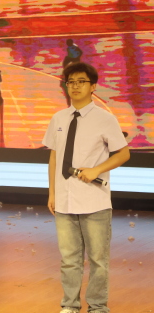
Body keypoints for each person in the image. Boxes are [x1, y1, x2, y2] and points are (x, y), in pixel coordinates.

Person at [43, 62, 130, 313]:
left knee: (98, 260)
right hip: (64, 200)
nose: (75, 86)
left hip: (95, 200)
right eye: (71, 82)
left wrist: (96, 170)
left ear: (93, 86)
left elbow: (123, 154)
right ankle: (70, 305)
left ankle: (98, 307)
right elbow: (54, 157)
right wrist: (52, 192)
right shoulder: (58, 118)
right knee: (69, 260)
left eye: (81, 81)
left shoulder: (105, 119)